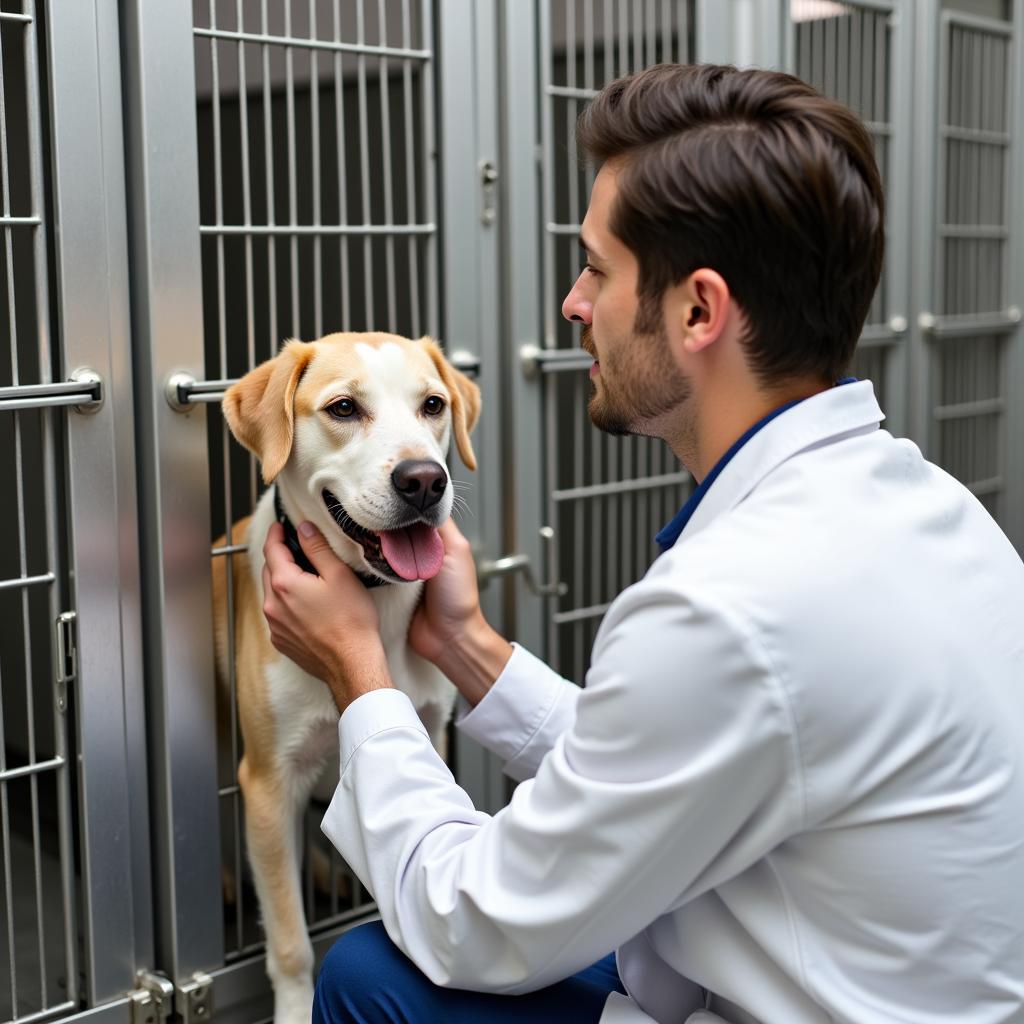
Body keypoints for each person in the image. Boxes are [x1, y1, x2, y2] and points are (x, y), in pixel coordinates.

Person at [260, 63, 1024, 1023]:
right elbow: (689, 758)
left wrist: (360, 677)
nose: (575, 304)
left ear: (699, 310)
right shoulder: (940, 510)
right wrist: (466, 648)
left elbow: (472, 923)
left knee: (370, 975)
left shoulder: (727, 606)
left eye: (596, 269)